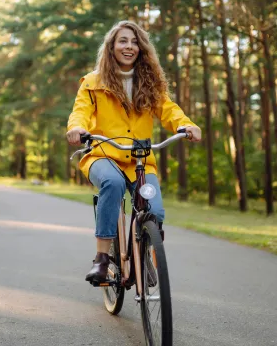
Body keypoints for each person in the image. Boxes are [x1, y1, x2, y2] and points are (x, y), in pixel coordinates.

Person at [66, 20, 201, 284]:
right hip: (103, 155)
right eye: (123, 41)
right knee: (112, 182)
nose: (129, 46)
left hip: (139, 159)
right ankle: (102, 260)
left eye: (135, 41)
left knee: (155, 210)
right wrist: (77, 128)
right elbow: (80, 111)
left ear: (141, 48)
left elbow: (168, 109)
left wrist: (185, 124)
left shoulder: (150, 82)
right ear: (112, 47)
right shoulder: (93, 82)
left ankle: (145, 261)